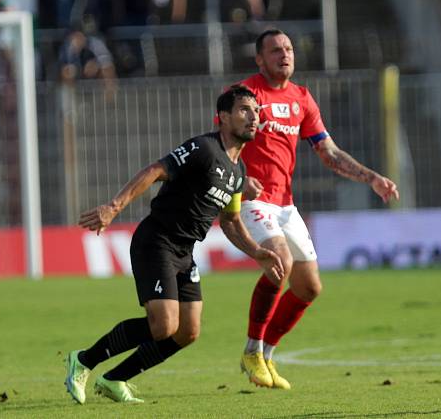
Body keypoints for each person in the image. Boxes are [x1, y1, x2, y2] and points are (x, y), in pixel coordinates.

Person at [65, 85, 284, 405]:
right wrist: (113, 207)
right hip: (157, 241)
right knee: (164, 325)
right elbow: (155, 170)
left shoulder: (238, 172)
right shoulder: (203, 149)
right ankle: (83, 360)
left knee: (187, 332)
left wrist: (258, 252)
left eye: (256, 111)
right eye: (244, 110)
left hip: (184, 252)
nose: (253, 117)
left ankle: (115, 379)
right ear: (223, 117)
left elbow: (231, 220)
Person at [237, 29, 399, 389]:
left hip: (285, 205)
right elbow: (221, 146)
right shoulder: (245, 95)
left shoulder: (301, 98)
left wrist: (371, 178)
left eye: (289, 48)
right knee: (280, 262)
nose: (285, 54)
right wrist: (238, 179)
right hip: (251, 199)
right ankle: (251, 350)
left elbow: (329, 153)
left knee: (309, 287)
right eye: (275, 50)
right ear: (259, 59)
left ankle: (266, 354)